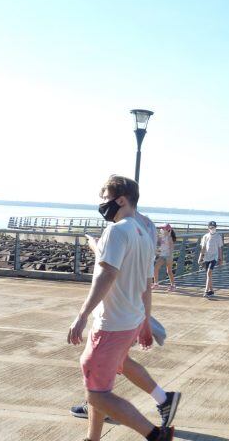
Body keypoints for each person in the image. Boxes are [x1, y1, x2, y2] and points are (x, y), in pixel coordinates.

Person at [67, 175, 179, 441]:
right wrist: (144, 320)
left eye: (104, 199)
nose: (102, 205)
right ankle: (92, 438)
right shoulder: (144, 230)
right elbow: (145, 281)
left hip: (111, 323)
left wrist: (81, 316)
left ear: (120, 200)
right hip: (129, 319)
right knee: (102, 383)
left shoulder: (116, 231)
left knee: (96, 393)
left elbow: (106, 276)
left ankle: (156, 435)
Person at [198, 221, 223, 297]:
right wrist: (200, 258)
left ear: (216, 227)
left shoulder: (218, 236)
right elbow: (203, 248)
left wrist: (220, 258)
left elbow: (220, 248)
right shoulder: (205, 236)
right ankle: (211, 291)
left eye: (214, 227)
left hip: (214, 257)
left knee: (209, 273)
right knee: (209, 275)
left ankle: (206, 291)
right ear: (208, 228)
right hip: (206, 257)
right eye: (211, 227)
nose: (212, 229)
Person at [152, 224, 176, 291]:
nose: (161, 230)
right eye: (161, 228)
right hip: (162, 255)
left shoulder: (169, 238)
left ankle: (173, 285)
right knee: (155, 268)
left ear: (168, 230)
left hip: (168, 256)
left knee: (169, 271)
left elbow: (171, 248)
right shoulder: (162, 237)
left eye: (163, 229)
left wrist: (170, 256)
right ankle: (156, 284)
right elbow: (157, 239)